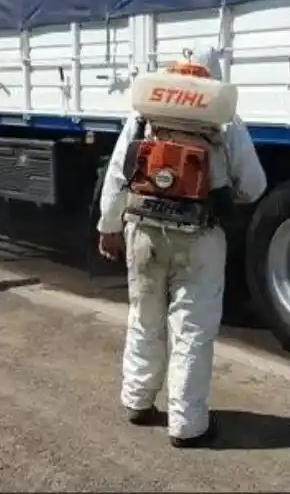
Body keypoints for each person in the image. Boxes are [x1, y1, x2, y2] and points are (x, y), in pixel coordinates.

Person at [96, 46, 267, 448]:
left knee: (144, 317)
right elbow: (255, 186)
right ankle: (188, 425)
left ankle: (137, 402)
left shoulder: (145, 114)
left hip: (143, 231)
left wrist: (108, 227)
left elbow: (119, 176)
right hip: (200, 238)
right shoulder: (225, 120)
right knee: (191, 329)